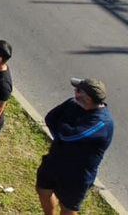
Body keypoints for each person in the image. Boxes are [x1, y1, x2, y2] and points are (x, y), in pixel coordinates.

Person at [36, 78, 115, 215]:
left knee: (67, 208)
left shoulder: (101, 122)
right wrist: (62, 133)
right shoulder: (73, 103)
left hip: (76, 174)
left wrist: (62, 130)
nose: (75, 92)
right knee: (42, 189)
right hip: (55, 159)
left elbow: (70, 136)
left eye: (78, 91)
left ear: (88, 99)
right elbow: (50, 118)